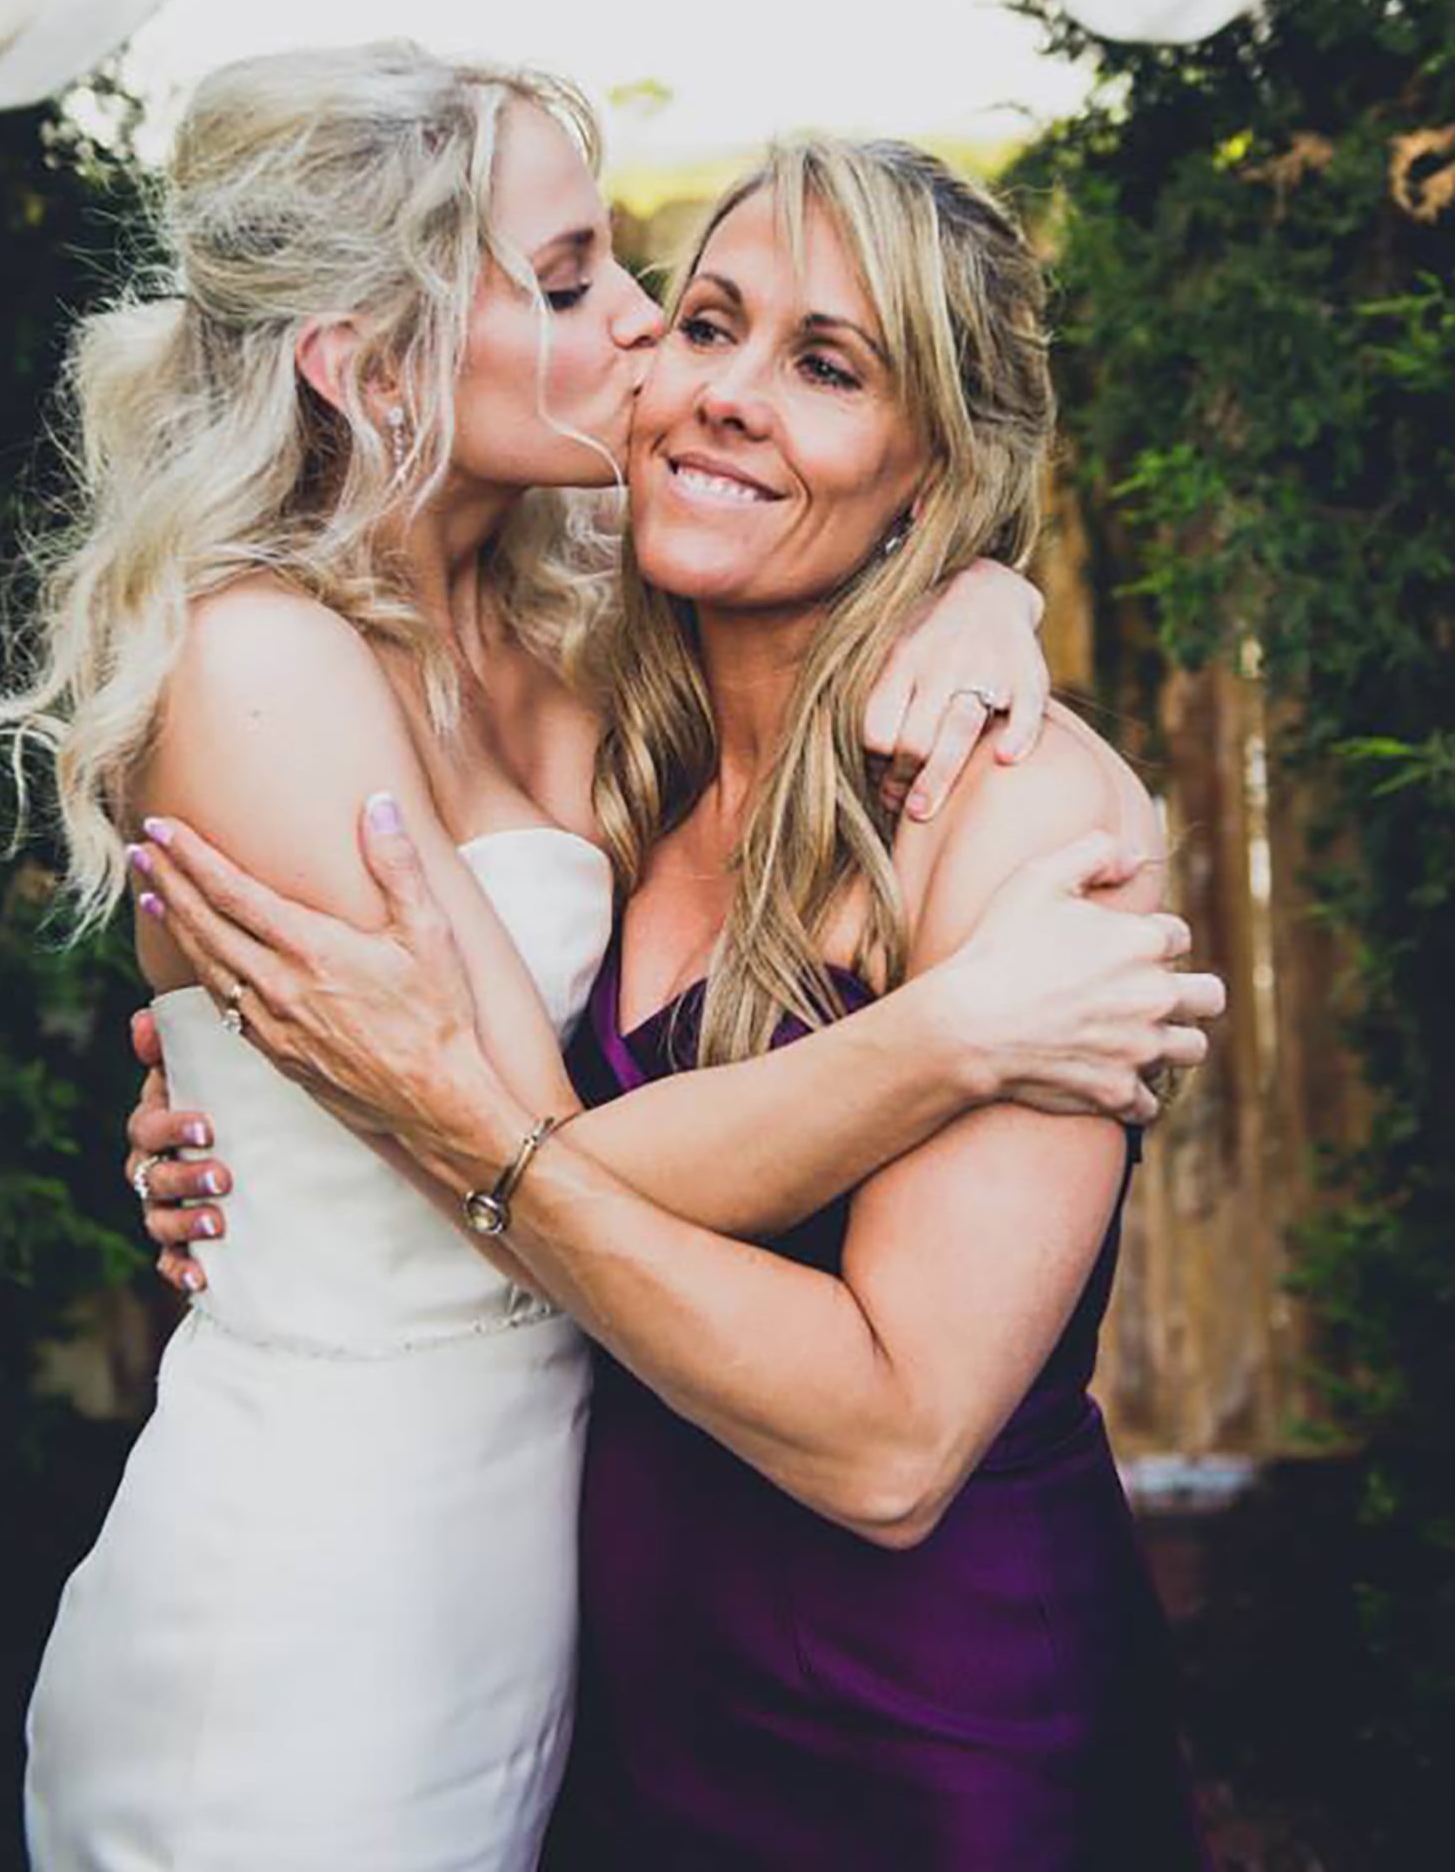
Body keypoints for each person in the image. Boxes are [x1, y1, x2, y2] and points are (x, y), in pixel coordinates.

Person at [133, 132, 1221, 1869]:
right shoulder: (616, 757)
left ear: (934, 464)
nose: (721, 391)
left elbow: (892, 1444)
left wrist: (459, 1134)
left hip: (927, 1750)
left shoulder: (1012, 807)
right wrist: (252, 1131)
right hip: (607, 1721)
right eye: (704, 325)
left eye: (826, 365)